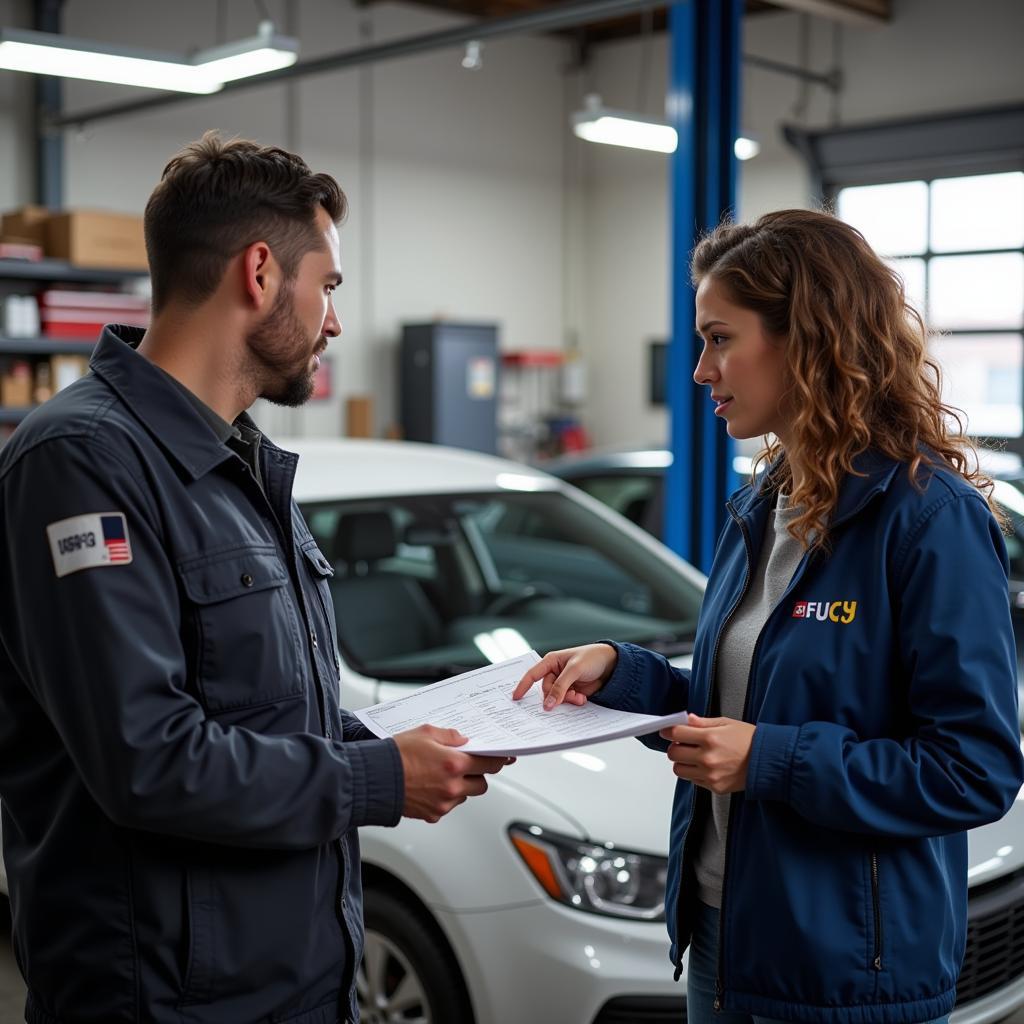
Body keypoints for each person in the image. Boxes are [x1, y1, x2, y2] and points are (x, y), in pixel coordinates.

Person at [0, 132, 511, 1024]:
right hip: (167, 1002)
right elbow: (146, 759)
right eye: (331, 288)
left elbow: (262, 710)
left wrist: (401, 742)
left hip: (298, 984)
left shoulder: (242, 467)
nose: (337, 321)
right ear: (262, 273)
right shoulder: (79, 463)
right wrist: (377, 782)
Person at [514, 209, 1024, 1024]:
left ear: (808, 341)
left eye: (720, 339)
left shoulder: (928, 521)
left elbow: (975, 769)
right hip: (723, 939)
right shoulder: (765, 505)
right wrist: (627, 673)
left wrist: (772, 762)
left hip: (846, 978)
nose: (700, 371)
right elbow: (747, 708)